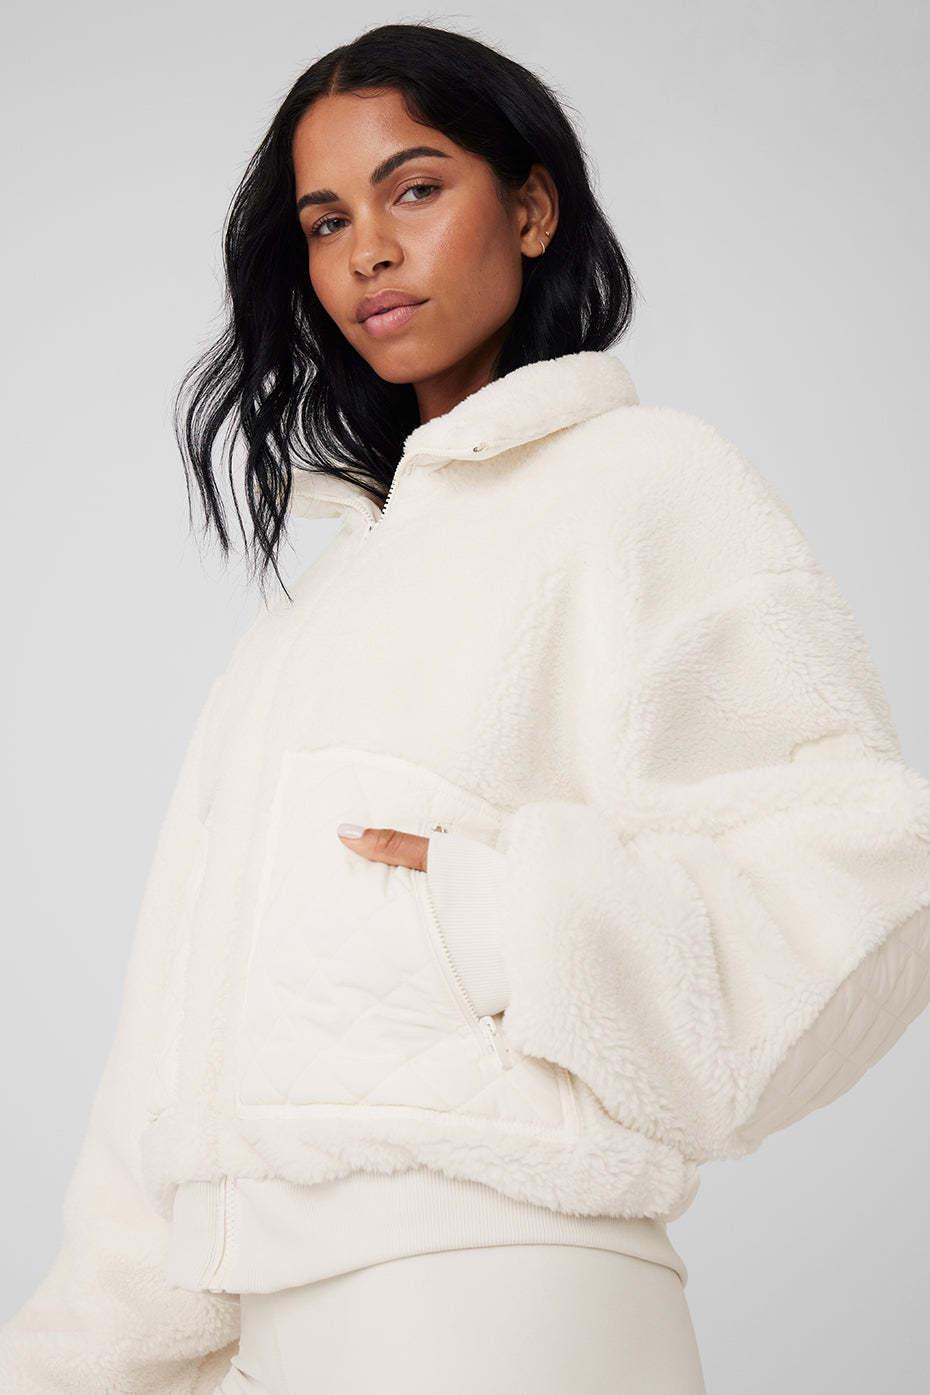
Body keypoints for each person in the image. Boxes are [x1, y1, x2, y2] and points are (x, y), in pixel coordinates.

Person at [3, 21, 930, 1395]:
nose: (367, 252)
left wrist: (508, 920)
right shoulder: (307, 619)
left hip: (506, 1292)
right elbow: (170, 1047)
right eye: (328, 221)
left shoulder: (643, 481)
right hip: (269, 1326)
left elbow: (862, 876)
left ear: (532, 209)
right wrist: (83, 1362)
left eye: (415, 189)